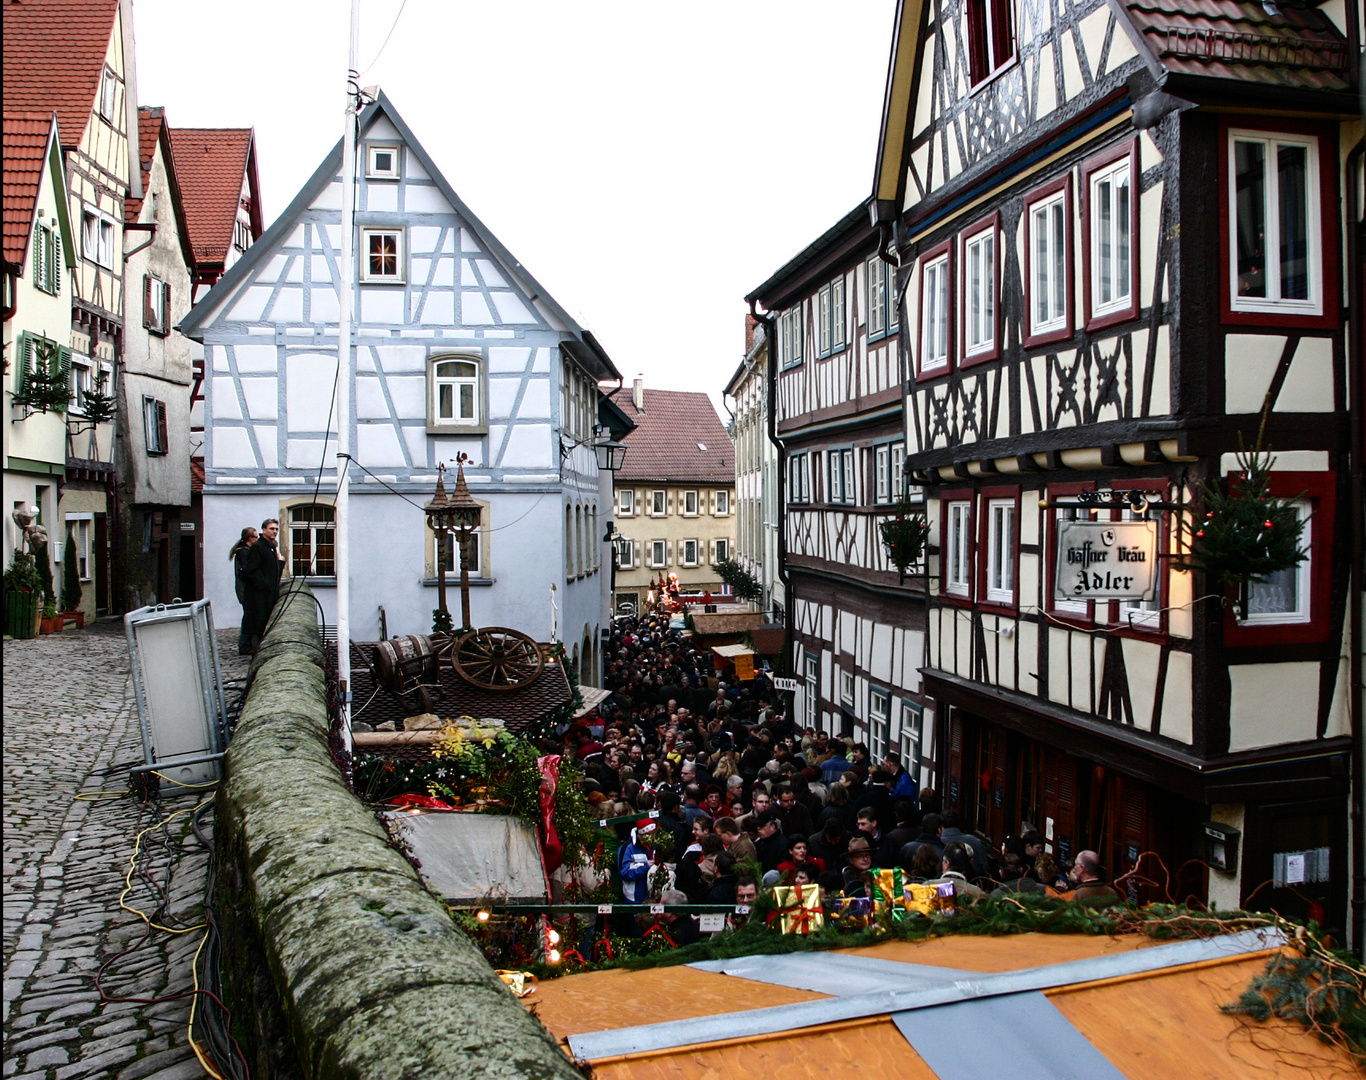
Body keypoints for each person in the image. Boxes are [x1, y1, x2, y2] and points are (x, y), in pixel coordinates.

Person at [241, 518, 284, 652]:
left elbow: (272, 570)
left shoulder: (270, 547)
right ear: (264, 530)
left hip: (268, 593)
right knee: (258, 627)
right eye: (271, 529)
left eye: (276, 529)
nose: (274, 532)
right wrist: (265, 586)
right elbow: (252, 571)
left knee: (264, 625)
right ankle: (257, 653)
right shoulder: (258, 546)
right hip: (259, 596)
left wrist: (280, 563)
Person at [229, 526, 257, 655]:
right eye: (256, 537)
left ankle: (247, 644)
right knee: (248, 617)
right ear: (249, 538)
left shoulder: (244, 551)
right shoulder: (243, 552)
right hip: (245, 590)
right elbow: (246, 571)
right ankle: (245, 645)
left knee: (249, 616)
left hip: (244, 589)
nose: (257, 539)